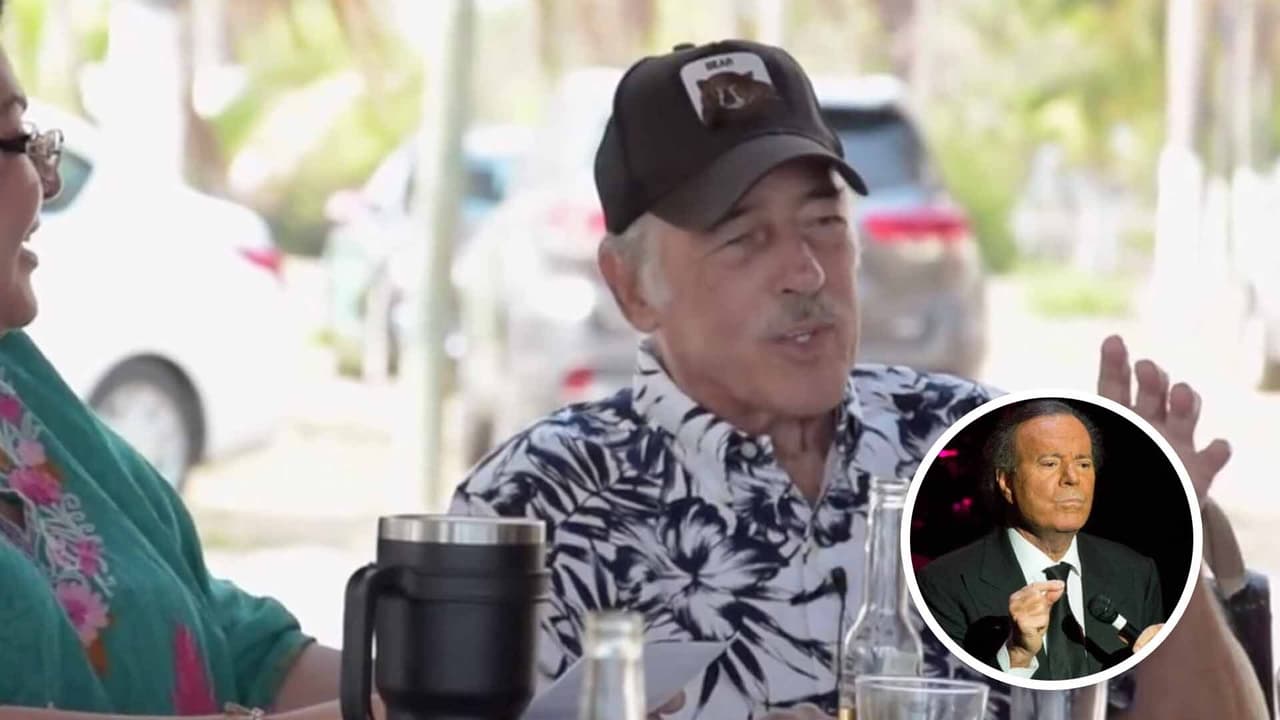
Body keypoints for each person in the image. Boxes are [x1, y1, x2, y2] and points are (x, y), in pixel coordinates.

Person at [450, 38, 1270, 720]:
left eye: (824, 222)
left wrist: (1151, 537)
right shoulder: (536, 510)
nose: (806, 271)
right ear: (631, 286)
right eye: (744, 238)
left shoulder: (980, 454)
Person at [0, 3, 377, 717]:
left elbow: (208, 626)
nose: (50, 182)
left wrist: (450, 692)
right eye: (18, 141)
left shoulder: (16, 381)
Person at [916, 399, 1165, 681]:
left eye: (1084, 464)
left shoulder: (1136, 573)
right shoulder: (943, 585)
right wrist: (1016, 656)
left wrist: (1154, 667)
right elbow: (953, 694)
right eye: (1050, 463)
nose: (1072, 478)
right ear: (1006, 483)